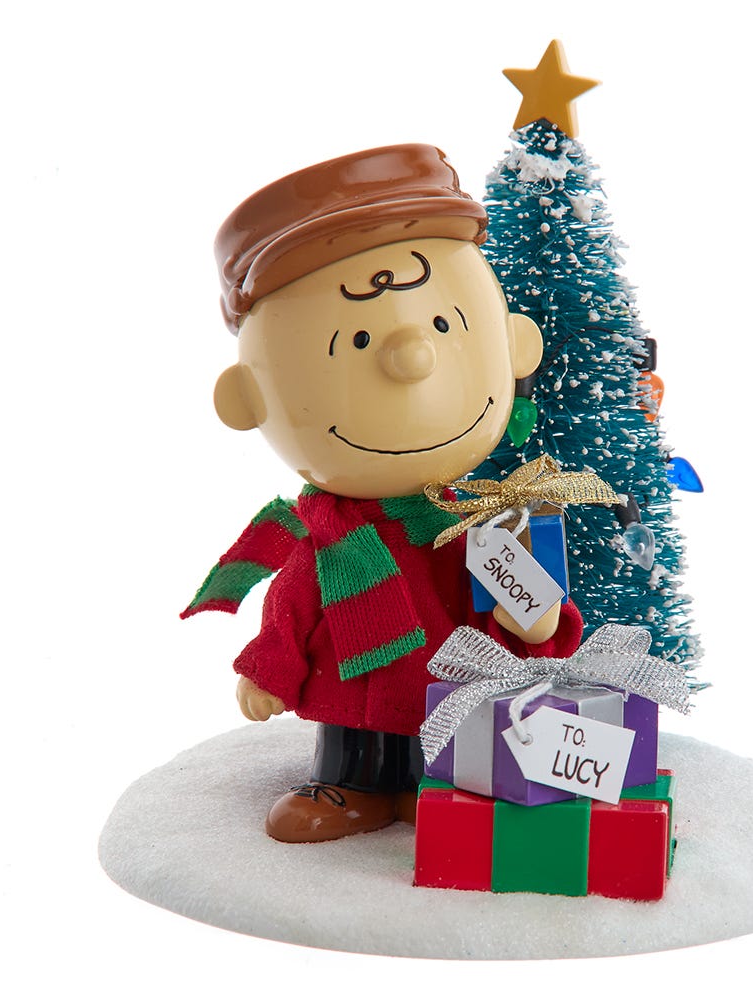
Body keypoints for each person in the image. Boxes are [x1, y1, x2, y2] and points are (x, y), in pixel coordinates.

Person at [199, 144, 583, 843]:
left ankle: (438, 782)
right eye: (356, 341)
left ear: (513, 346)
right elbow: (292, 608)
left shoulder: (479, 523)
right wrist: (269, 672)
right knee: (353, 730)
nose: (412, 358)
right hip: (351, 691)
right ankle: (352, 782)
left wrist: (534, 620)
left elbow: (516, 603)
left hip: (449, 690)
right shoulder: (326, 540)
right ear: (249, 399)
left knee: (452, 720)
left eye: (442, 324)